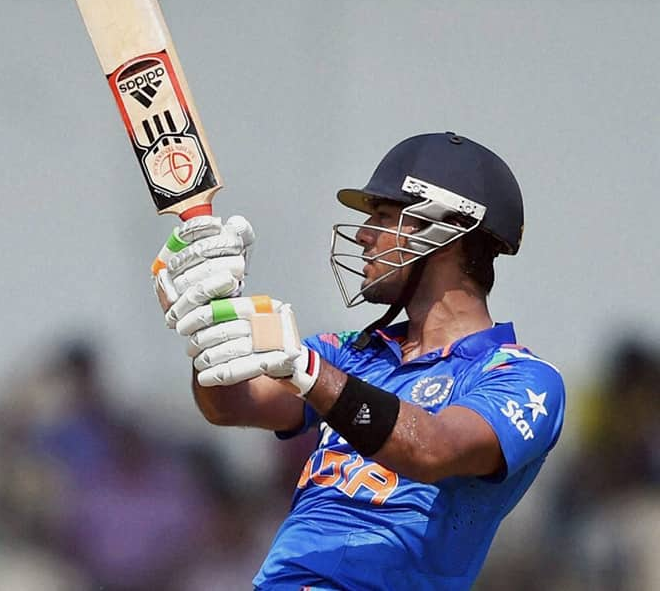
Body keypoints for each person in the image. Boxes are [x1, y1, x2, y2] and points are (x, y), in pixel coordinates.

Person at [151, 132, 566, 589]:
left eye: (384, 217)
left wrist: (309, 374)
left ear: (446, 233)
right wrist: (209, 323)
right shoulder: (347, 351)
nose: (364, 236)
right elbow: (230, 404)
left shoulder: (524, 380)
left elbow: (431, 450)